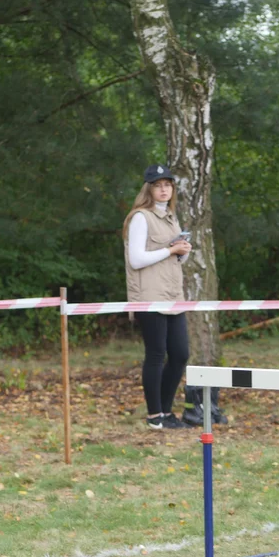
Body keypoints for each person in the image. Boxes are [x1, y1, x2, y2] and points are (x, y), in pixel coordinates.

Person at [123, 164, 194, 430]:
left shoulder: (171, 217)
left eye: (168, 184)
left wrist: (183, 250)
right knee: (156, 354)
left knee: (180, 354)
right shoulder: (140, 217)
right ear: (149, 189)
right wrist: (170, 249)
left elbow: (175, 258)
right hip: (149, 295)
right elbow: (137, 259)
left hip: (173, 294)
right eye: (158, 185)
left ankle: (165, 411)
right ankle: (155, 416)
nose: (164, 189)